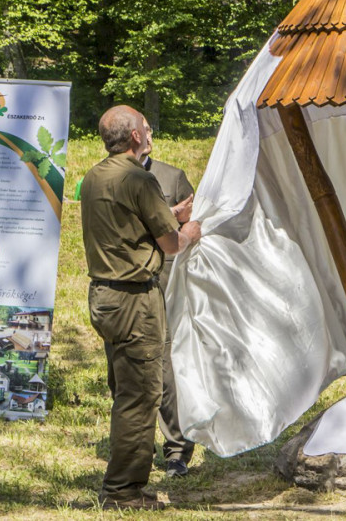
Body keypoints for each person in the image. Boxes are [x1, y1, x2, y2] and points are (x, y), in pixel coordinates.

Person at [81, 105, 201, 510]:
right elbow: (170, 245)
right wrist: (190, 229)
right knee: (141, 395)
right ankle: (122, 492)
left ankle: (126, 482)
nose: (149, 135)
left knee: (124, 390)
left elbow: (127, 226)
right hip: (135, 299)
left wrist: (169, 214)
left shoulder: (95, 176)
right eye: (144, 130)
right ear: (135, 136)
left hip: (104, 296)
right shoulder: (140, 177)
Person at [139, 118, 197, 478]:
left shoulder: (172, 177)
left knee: (166, 370)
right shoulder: (107, 177)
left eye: (151, 127)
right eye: (144, 128)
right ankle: (135, 447)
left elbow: (197, 227)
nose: (150, 134)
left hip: (165, 287)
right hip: (124, 290)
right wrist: (168, 218)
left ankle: (177, 449)